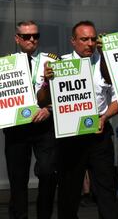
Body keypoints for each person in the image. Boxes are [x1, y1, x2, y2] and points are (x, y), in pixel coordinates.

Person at [43, 21, 118, 219]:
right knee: (69, 191)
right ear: (73, 41)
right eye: (84, 39)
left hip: (99, 132)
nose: (90, 43)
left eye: (93, 39)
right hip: (71, 136)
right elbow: (42, 100)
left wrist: (104, 117)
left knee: (106, 190)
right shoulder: (60, 64)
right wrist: (46, 81)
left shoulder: (106, 63)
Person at [2, 21, 58, 219]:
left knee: (48, 172)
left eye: (35, 35)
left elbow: (65, 93)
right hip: (16, 128)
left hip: (44, 126)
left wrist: (49, 109)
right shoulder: (5, 64)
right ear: (17, 39)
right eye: (26, 36)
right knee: (18, 179)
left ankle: (44, 215)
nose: (32, 39)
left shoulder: (51, 61)